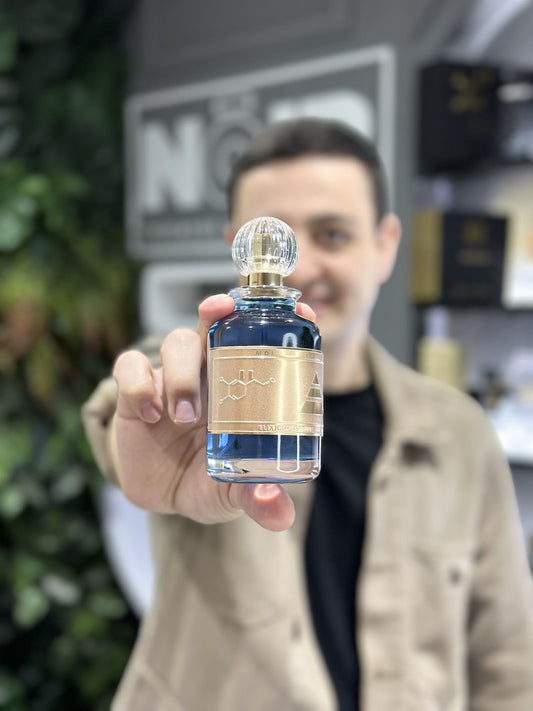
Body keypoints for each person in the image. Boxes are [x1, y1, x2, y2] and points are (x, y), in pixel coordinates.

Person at [82, 118, 533, 711]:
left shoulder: (459, 433)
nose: (297, 268)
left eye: (333, 234)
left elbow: (507, 663)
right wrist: (148, 424)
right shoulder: (205, 396)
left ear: (385, 244)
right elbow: (121, 410)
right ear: (237, 246)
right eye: (276, 236)